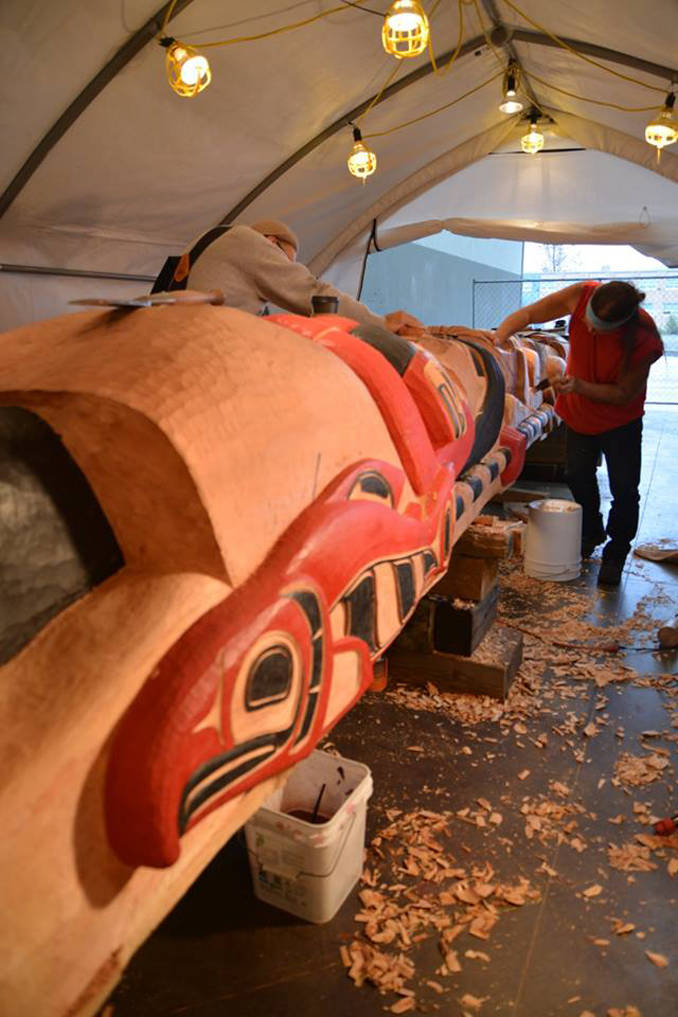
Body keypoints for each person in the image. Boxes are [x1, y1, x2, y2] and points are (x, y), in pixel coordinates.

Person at [493, 280, 664, 586]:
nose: (591, 332)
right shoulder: (581, 294)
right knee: (576, 475)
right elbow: (532, 312)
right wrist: (499, 338)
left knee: (624, 488)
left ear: (622, 324)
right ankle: (591, 530)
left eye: (601, 329)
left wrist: (580, 386)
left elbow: (624, 394)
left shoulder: (644, 337)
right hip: (579, 414)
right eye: (588, 323)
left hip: (620, 420)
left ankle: (616, 551)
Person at [164, 218, 423, 335]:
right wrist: (379, 323)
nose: (285, 267)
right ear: (271, 241)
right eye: (286, 260)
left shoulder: (215, 236)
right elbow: (312, 292)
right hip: (203, 343)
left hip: (167, 329)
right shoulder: (250, 243)